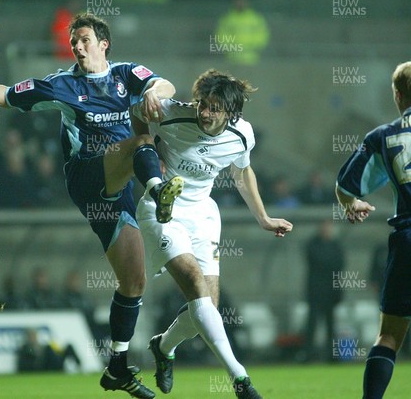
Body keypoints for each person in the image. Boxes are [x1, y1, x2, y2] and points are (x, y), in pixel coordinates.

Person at [0, 13, 184, 398]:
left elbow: (163, 83)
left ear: (104, 43)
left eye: (84, 40)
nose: (77, 47)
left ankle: (116, 366)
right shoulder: (61, 85)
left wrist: (155, 92)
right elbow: (4, 95)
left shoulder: (127, 75)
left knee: (134, 282)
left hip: (115, 187)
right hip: (86, 176)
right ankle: (158, 188)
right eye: (73, 42)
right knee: (142, 142)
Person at [132, 69, 293, 398]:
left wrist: (262, 217)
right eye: (202, 104)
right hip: (162, 210)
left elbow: (242, 171)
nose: (205, 113)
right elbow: (137, 112)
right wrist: (147, 147)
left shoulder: (243, 135)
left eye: (214, 108)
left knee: (205, 310)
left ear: (231, 113)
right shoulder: (173, 113)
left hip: (203, 214)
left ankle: (163, 348)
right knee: (196, 287)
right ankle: (241, 380)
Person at [335, 61, 411, 399]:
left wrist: (351, 204)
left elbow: (345, 185)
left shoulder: (383, 136)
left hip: (407, 239)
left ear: (397, 94)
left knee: (390, 335)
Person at [303, 219, 345, 362]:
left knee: (331, 324)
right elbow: (319, 261)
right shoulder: (312, 244)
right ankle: (308, 355)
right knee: (312, 324)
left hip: (331, 292)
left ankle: (332, 356)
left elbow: (339, 264)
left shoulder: (336, 245)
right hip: (315, 291)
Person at [215, 0, 270, 66]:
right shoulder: (227, 19)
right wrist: (231, 48)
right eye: (237, 1)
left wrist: (252, 47)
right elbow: (221, 36)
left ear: (248, 2)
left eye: (242, 0)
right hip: (232, 59)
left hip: (252, 59)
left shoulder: (256, 19)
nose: (240, 3)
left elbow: (263, 36)